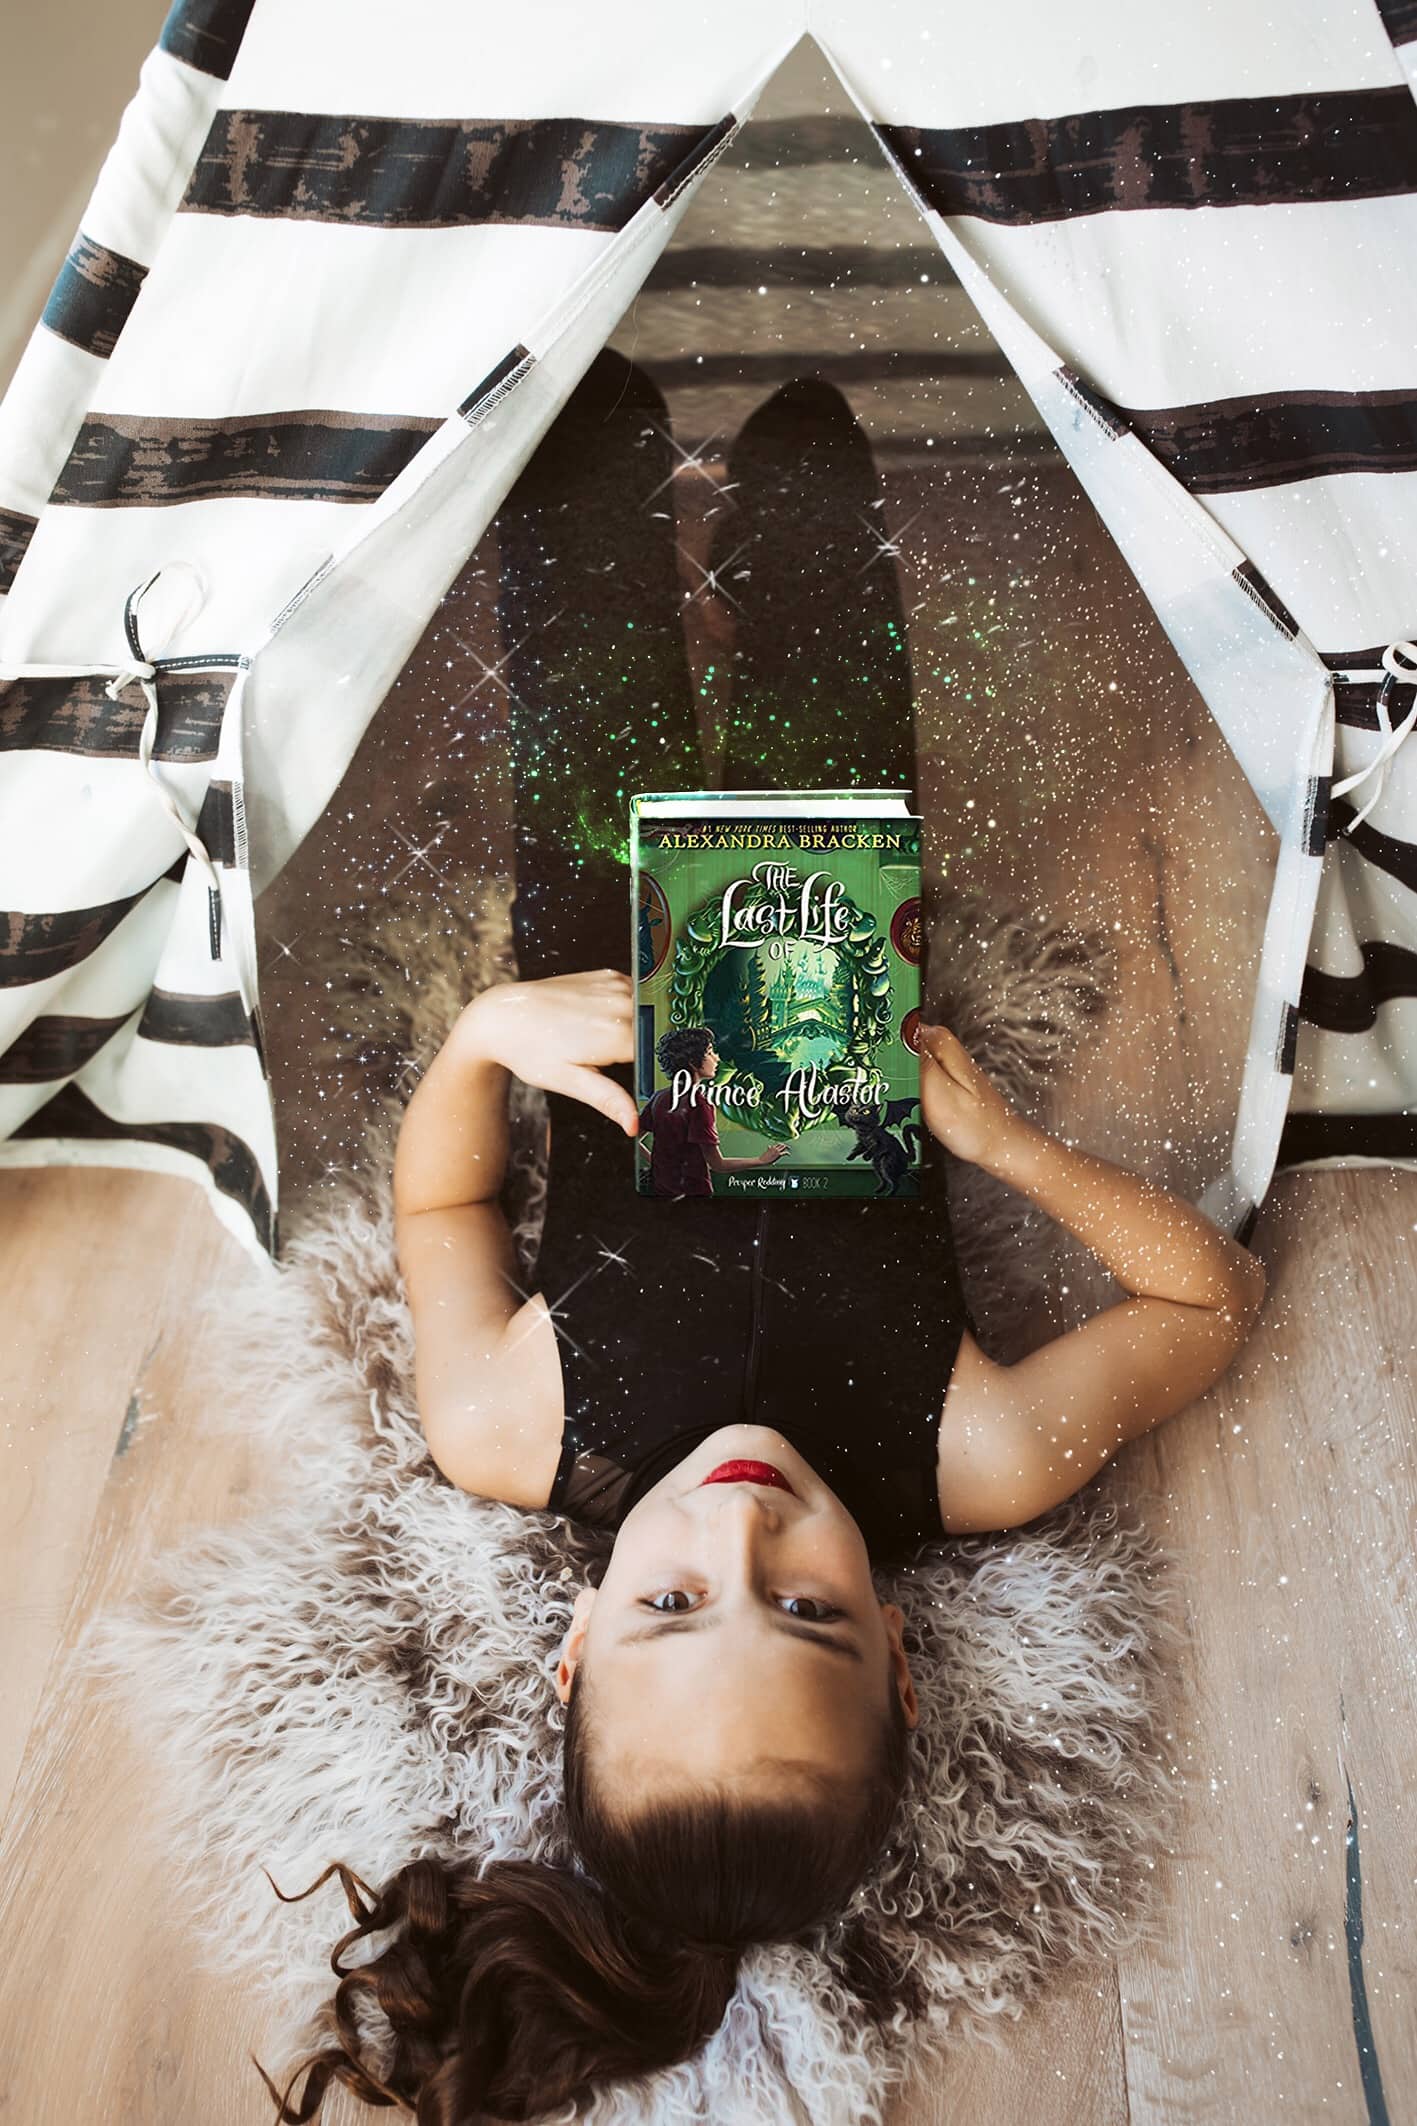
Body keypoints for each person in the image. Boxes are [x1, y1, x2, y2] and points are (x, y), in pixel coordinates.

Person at [261, 358, 1266, 2122]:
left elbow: (438, 1203)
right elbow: (1212, 1294)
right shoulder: (975, 1450)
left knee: (581, 623)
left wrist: (488, 1034)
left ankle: (611, 442)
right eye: (800, 1608)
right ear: (893, 1644)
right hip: (822, 906)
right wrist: (1005, 1144)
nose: (740, 1531)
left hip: (608, 917)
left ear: (568, 1645)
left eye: (666, 1602)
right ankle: (798, 490)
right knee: (820, 586)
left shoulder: (512, 1431)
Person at [636, 1023, 788, 1195]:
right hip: (694, 1194)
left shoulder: (659, 1097)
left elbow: (634, 1139)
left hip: (661, 1191)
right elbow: (717, 1164)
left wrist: (657, 1165)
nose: (716, 1058)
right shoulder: (700, 1105)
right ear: (693, 1062)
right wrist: (760, 1160)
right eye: (709, 1053)